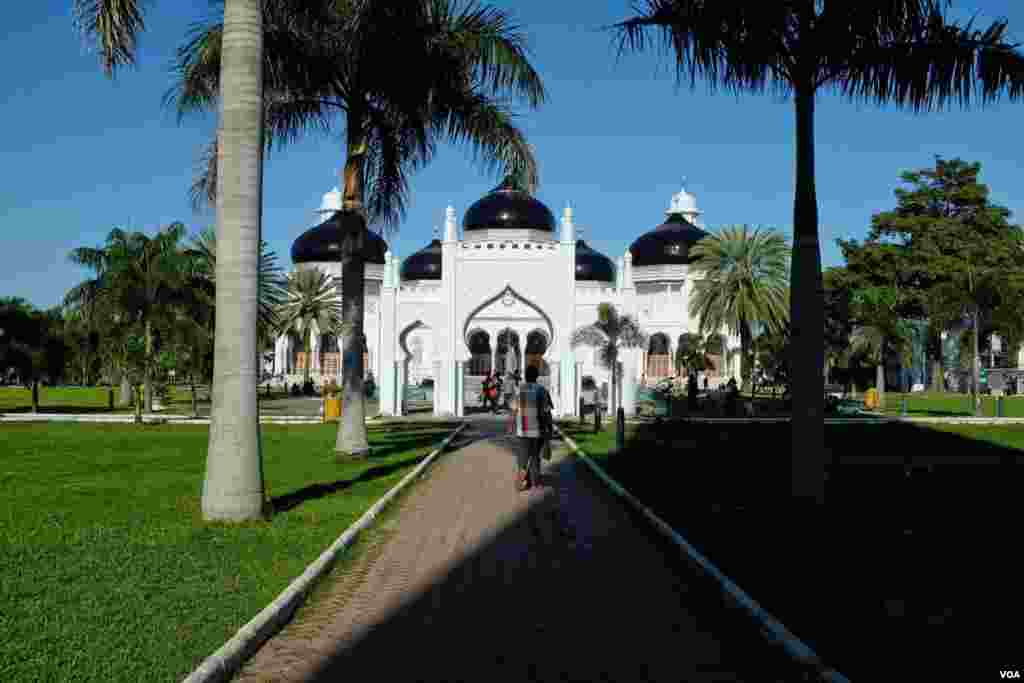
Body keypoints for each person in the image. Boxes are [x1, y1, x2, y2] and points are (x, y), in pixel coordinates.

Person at [511, 365, 554, 491]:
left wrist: (511, 425)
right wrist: (549, 428)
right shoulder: (542, 390)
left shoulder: (519, 390)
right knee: (535, 456)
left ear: (525, 376)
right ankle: (535, 482)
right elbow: (547, 412)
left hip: (522, 431)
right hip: (537, 431)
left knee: (523, 456)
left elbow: (513, 410)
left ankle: (522, 478)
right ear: (537, 376)